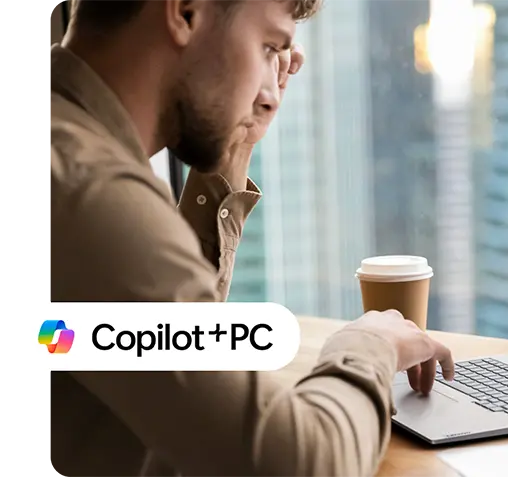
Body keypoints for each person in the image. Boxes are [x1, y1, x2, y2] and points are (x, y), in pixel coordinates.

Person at [39, 0, 455, 476]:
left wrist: (236, 138)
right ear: (185, 11)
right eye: (269, 46)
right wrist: (369, 346)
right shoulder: (85, 190)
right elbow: (301, 465)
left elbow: (165, 345)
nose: (273, 94)